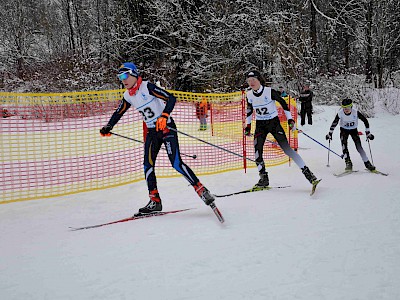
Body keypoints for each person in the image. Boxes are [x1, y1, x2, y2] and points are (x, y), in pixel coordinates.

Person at [100, 62, 216, 214]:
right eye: (120, 77)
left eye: (125, 75)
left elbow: (171, 98)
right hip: (152, 132)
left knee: (176, 163)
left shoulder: (147, 87)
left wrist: (164, 116)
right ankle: (155, 201)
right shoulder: (128, 95)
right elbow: (119, 112)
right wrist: (109, 126)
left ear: (134, 74)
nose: (123, 79)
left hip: (167, 128)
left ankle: (201, 190)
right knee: (147, 165)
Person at [244, 70, 319, 188]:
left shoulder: (269, 92)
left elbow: (284, 104)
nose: (251, 83)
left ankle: (309, 175)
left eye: (253, 80)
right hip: (260, 125)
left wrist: (290, 120)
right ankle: (263, 178)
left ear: (259, 80)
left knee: (287, 150)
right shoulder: (249, 95)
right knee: (257, 151)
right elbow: (249, 110)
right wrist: (248, 125)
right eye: (249, 81)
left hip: (274, 123)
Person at [325, 98, 376, 171]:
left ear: (351, 107)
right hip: (343, 131)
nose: (346, 109)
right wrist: (330, 133)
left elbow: (365, 121)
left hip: (353, 131)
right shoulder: (340, 113)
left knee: (359, 147)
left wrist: (368, 133)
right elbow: (334, 123)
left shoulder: (355, 112)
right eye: (344, 108)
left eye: (348, 107)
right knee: (344, 147)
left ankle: (367, 163)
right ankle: (348, 163)